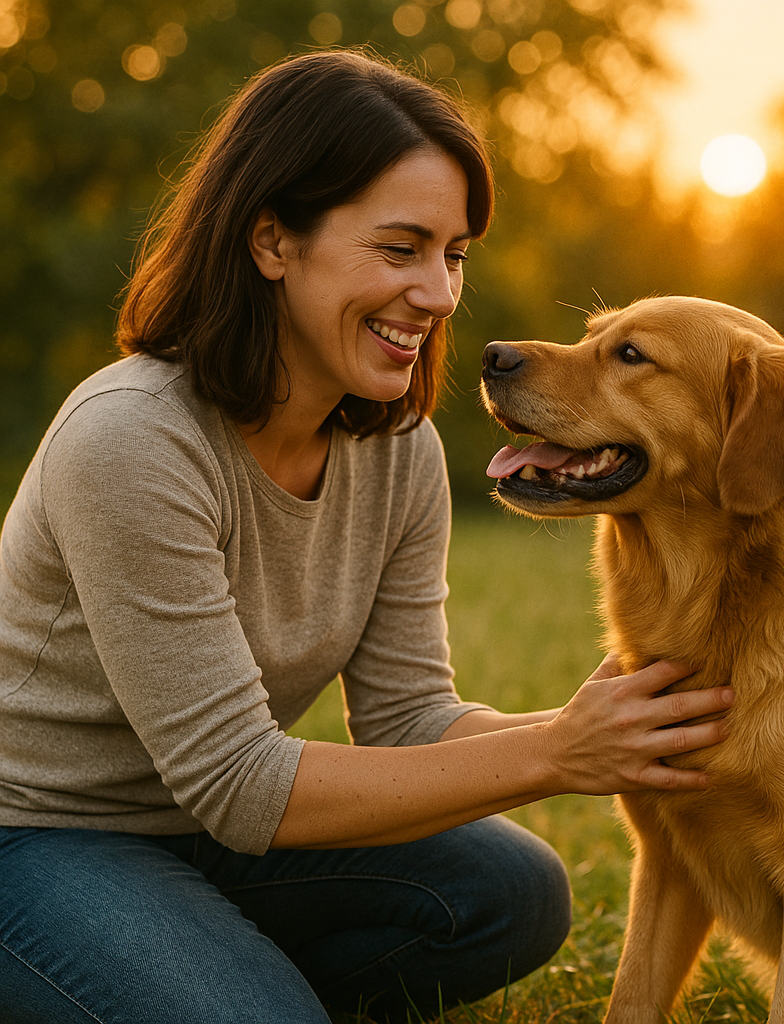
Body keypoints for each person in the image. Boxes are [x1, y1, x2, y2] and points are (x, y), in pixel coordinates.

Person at [0, 49, 732, 1024]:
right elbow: (238, 781)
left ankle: (176, 965)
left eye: (453, 254)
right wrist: (560, 751)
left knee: (510, 893)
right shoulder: (132, 440)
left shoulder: (399, 447)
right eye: (400, 249)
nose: (437, 295)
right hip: (35, 834)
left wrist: (606, 728)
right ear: (272, 241)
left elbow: (409, 718)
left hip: (198, 834)